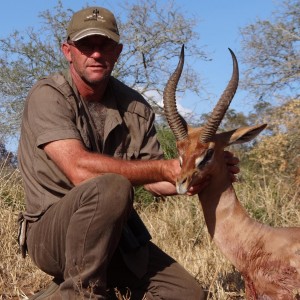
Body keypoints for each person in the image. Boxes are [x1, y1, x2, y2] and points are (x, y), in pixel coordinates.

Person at [18, 6, 239, 300]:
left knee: (187, 294)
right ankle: (80, 294)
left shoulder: (134, 105)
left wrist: (198, 173)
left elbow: (156, 181)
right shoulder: (48, 94)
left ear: (118, 51)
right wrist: (163, 169)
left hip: (115, 235)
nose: (96, 54)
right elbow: (80, 170)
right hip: (52, 234)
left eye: (105, 45)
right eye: (86, 45)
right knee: (111, 185)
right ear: (68, 50)